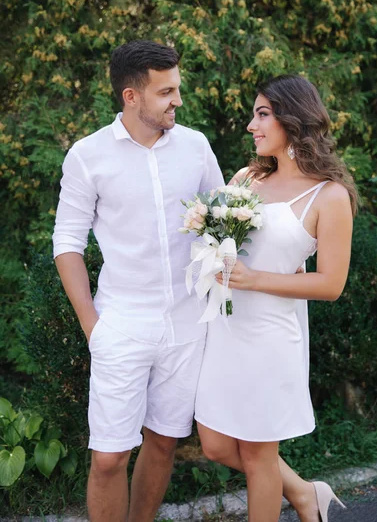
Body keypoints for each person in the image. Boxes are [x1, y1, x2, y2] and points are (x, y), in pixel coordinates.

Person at [52, 39, 224, 522]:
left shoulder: (195, 146)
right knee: (108, 457)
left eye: (177, 89)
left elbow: (224, 219)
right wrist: (93, 326)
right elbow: (66, 243)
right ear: (132, 97)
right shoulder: (88, 156)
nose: (178, 101)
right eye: (166, 91)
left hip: (187, 323)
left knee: (165, 441)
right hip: (121, 324)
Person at [195, 74, 357, 522]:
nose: (252, 124)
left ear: (293, 119)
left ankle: (301, 497)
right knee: (214, 443)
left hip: (271, 337)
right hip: (225, 329)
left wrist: (256, 277)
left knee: (257, 457)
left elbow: (330, 283)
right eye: (254, 114)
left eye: (262, 114)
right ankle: (306, 493)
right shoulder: (246, 178)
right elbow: (219, 247)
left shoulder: (330, 196)